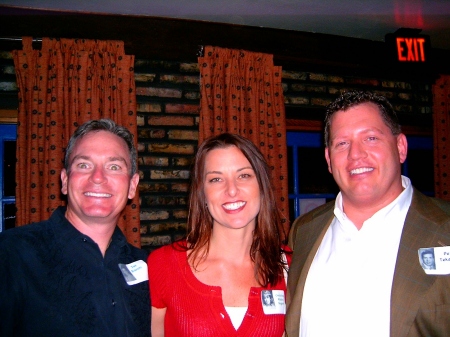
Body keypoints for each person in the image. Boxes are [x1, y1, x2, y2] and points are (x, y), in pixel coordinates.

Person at [286, 91, 450, 337]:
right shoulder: (304, 230)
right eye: (342, 143)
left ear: (400, 147)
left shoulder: (445, 228)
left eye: (371, 138)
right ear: (329, 159)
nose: (355, 155)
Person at [0, 119, 151, 337]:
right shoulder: (11, 254)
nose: (98, 177)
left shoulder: (144, 265)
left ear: (132, 186)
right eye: (84, 165)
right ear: (64, 180)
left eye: (114, 167)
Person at [148, 133, 290, 337]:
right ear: (202, 194)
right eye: (216, 179)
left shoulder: (289, 266)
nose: (232, 190)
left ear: (261, 186)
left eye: (244, 175)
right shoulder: (163, 265)